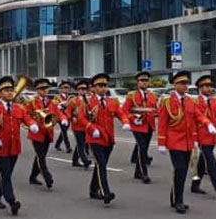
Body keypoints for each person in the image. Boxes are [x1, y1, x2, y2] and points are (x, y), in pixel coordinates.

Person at [158, 71, 216, 214]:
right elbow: (162, 123)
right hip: (174, 142)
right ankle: (178, 201)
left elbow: (198, 115)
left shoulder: (190, 101)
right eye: (182, 83)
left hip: (188, 142)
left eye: (186, 83)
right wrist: (161, 143)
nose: (185, 86)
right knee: (180, 170)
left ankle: (175, 199)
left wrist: (207, 123)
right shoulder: (167, 102)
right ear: (175, 85)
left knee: (182, 172)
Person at [0, 76, 39, 216]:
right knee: (6, 174)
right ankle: (12, 202)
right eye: (6, 90)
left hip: (14, 146)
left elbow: (26, 118)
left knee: (5, 173)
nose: (10, 92)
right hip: (0, 146)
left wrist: (32, 125)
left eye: (11, 90)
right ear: (0, 93)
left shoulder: (19, 108)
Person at [85, 73, 131, 206]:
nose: (103, 88)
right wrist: (91, 128)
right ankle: (106, 192)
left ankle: (93, 190)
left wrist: (125, 121)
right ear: (94, 88)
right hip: (94, 138)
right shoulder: (88, 102)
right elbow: (82, 118)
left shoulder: (112, 101)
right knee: (101, 164)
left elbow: (120, 113)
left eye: (105, 85)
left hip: (108, 139)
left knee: (101, 165)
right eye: (100, 86)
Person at [27, 78, 67, 189]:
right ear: (37, 90)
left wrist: (63, 118)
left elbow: (57, 112)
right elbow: (25, 114)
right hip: (36, 133)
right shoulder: (32, 102)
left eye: (46, 88)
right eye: (42, 89)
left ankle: (32, 176)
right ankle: (47, 176)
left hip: (48, 132)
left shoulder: (51, 102)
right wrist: (32, 123)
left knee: (41, 155)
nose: (44, 90)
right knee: (41, 156)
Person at [122, 71, 158, 183]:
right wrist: (132, 118)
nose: (144, 83)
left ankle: (137, 172)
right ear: (137, 83)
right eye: (141, 81)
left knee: (144, 149)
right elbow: (124, 110)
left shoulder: (153, 95)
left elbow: (156, 109)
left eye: (146, 80)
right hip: (137, 126)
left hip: (149, 125)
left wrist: (155, 113)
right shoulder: (132, 95)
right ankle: (144, 173)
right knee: (141, 147)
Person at [66, 79, 93, 168]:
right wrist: (71, 118)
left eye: (84, 89)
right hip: (77, 126)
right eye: (81, 89)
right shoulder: (73, 101)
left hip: (86, 125)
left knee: (82, 143)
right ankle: (85, 161)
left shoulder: (89, 100)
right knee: (81, 144)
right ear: (77, 90)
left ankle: (75, 161)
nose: (83, 91)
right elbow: (68, 113)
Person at [53, 81, 74, 153]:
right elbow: (55, 106)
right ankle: (68, 147)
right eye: (64, 88)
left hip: (68, 116)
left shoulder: (70, 97)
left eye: (67, 88)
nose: (66, 89)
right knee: (64, 131)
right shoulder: (57, 97)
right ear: (61, 89)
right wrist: (60, 106)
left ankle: (57, 144)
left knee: (63, 132)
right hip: (60, 117)